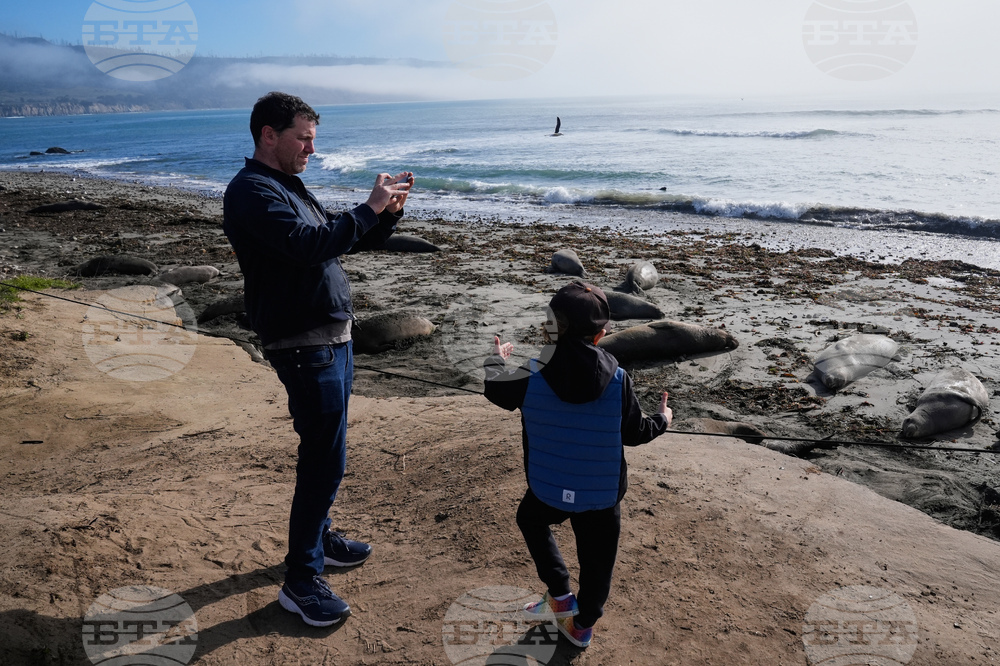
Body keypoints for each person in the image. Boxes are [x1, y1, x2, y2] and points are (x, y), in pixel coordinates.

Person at [223, 91, 413, 627]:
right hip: (303, 344)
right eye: (303, 138)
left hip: (331, 339)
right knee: (324, 460)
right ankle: (301, 580)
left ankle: (320, 538)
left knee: (330, 451)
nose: (311, 149)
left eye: (313, 139)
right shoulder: (251, 190)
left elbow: (334, 241)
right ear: (268, 135)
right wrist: (368, 207)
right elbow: (308, 246)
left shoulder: (288, 186)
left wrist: (386, 216)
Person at [483, 281, 672, 648]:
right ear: (600, 335)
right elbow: (635, 433)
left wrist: (497, 360)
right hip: (600, 495)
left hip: (548, 487)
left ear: (550, 327)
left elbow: (495, 390)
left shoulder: (530, 372)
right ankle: (582, 625)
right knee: (598, 563)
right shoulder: (618, 379)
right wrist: (662, 419)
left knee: (530, 519)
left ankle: (559, 594)